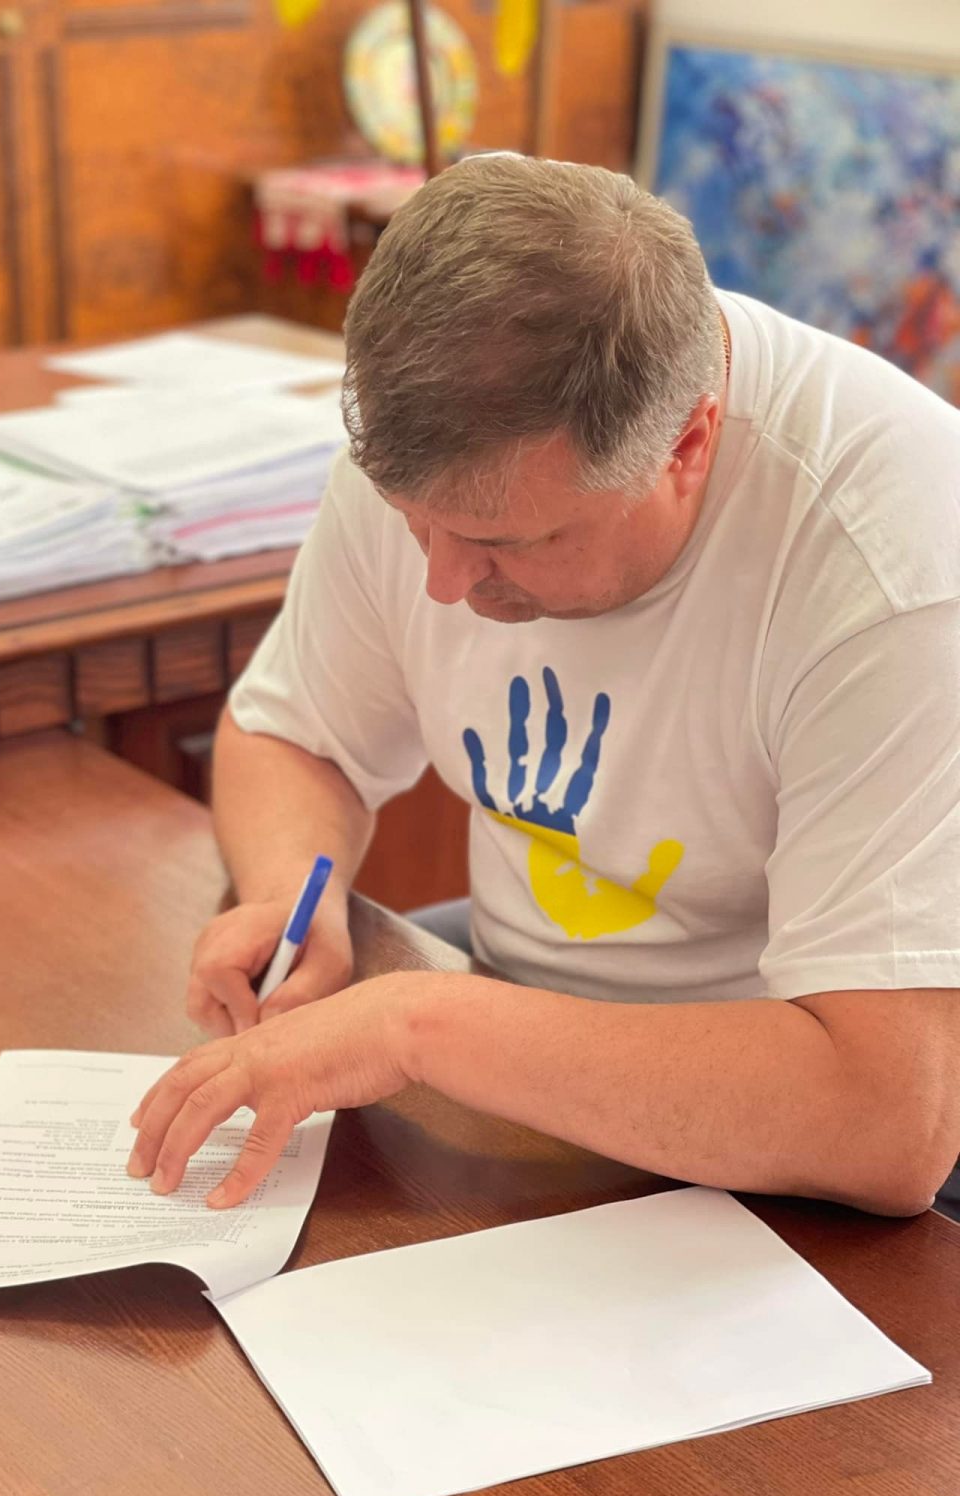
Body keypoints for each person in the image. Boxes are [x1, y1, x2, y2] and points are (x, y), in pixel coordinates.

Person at [127, 155, 960, 1220]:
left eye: (502, 541)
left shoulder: (894, 567)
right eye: (412, 523)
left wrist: (416, 1026)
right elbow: (295, 736)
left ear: (687, 445)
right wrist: (291, 895)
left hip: (797, 1130)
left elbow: (885, 1122)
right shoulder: (440, 458)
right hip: (519, 1022)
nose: (441, 582)